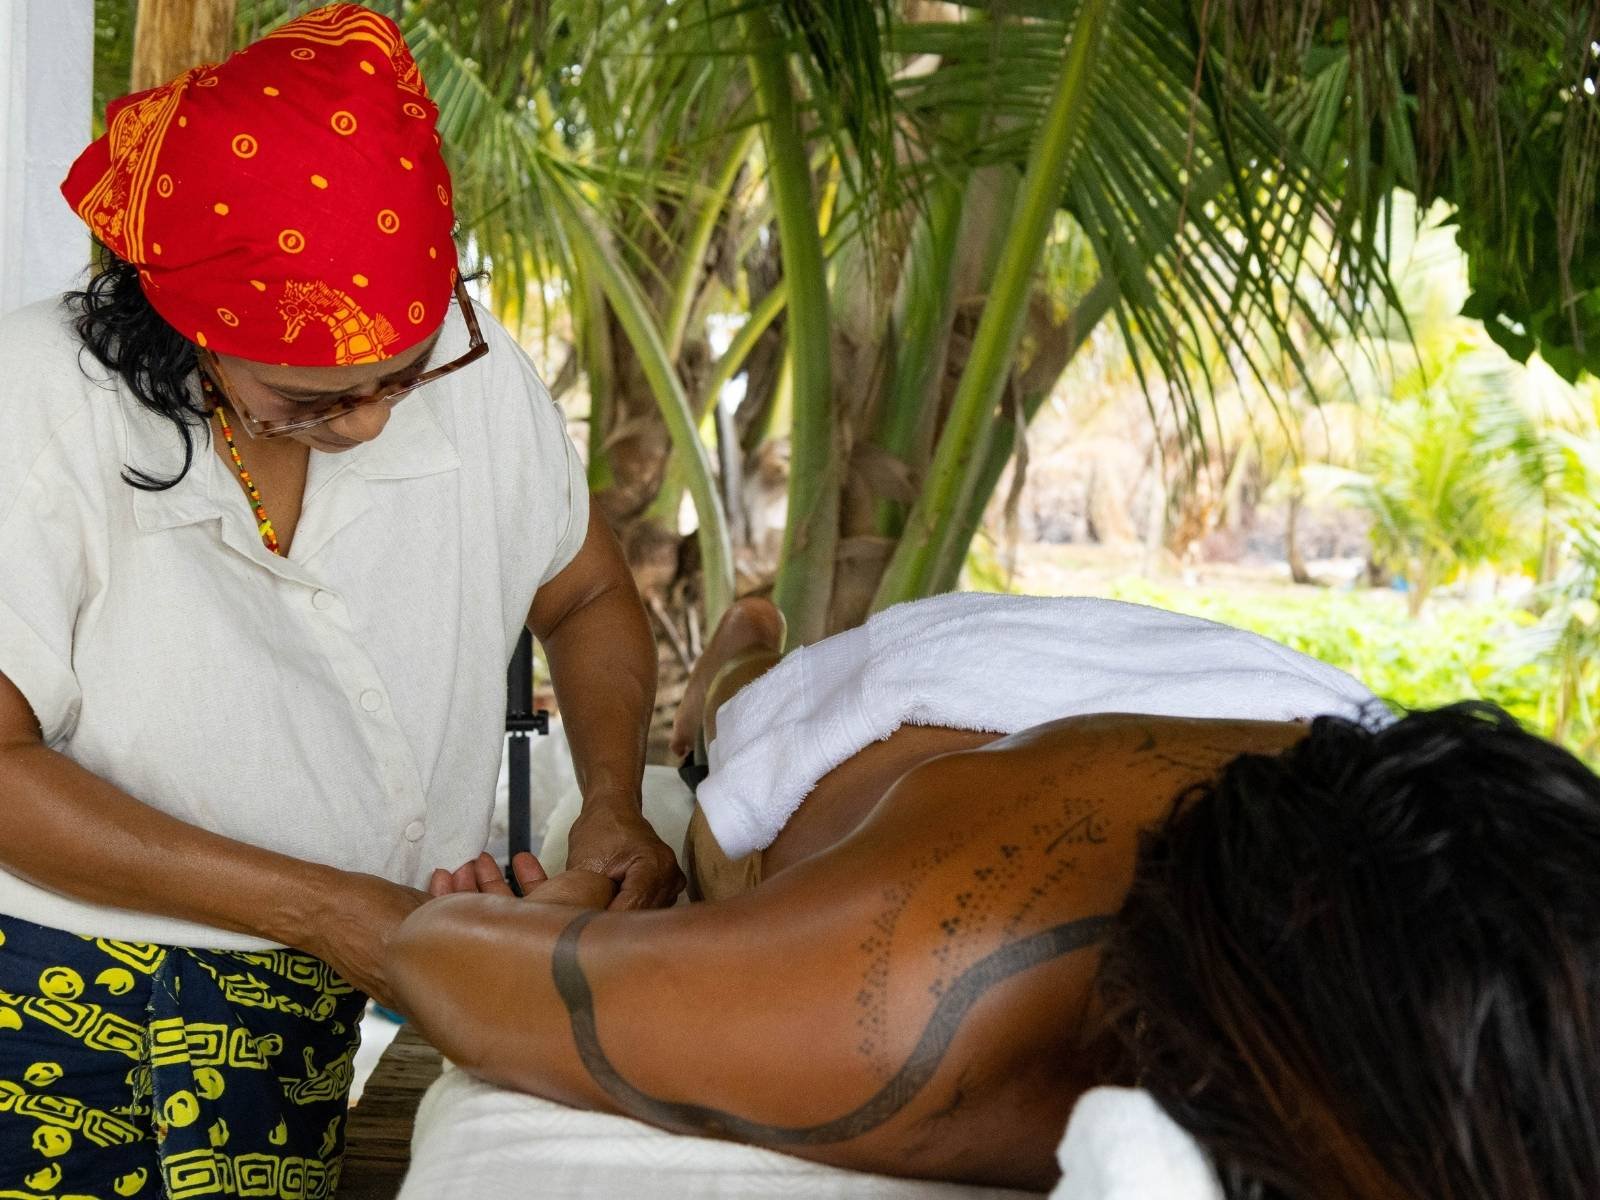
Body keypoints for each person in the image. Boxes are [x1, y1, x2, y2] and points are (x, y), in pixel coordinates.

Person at [0, 6, 680, 1196]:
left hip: (337, 983)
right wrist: (334, 910)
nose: (367, 420)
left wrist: (613, 804)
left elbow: (583, 596)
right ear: (187, 327)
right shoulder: (39, 407)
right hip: (68, 1000)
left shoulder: (473, 375)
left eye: (399, 378)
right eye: (307, 399)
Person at [391, 597, 1600, 1199]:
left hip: (1288, 698)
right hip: (934, 686)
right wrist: (569, 915)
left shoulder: (1535, 931)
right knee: (735, 746)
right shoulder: (910, 996)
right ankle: (737, 662)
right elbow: (445, 956)